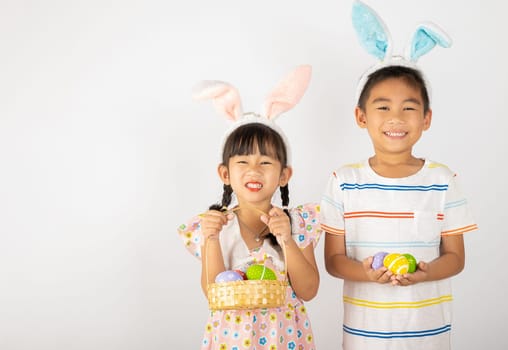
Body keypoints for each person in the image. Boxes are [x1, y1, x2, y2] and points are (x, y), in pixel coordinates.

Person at [320, 2, 478, 349]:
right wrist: (366, 273)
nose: (396, 118)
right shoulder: (344, 181)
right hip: (364, 336)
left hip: (429, 334)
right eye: (383, 108)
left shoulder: (442, 179)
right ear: (361, 117)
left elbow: (455, 258)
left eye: (409, 108)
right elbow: (333, 261)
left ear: (426, 118)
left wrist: (426, 273)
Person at [177, 65, 322, 349]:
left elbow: (308, 290)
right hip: (231, 341)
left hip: (285, 339)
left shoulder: (298, 222)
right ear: (225, 174)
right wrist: (210, 239)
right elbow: (213, 294)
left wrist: (287, 240)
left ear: (284, 175)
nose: (254, 171)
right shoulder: (216, 226)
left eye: (265, 162)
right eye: (242, 162)